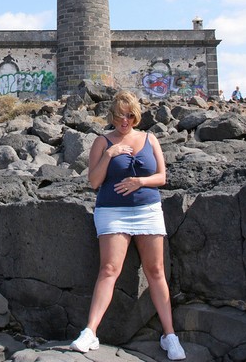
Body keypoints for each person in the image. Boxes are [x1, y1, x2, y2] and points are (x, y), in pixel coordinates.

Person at [70, 91, 186, 360]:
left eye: (130, 114)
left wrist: (139, 182)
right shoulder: (102, 141)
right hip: (112, 211)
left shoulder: (150, 139)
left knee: (156, 270)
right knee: (109, 269)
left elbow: (162, 176)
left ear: (136, 115)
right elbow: (94, 182)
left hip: (147, 210)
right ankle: (90, 332)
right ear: (113, 115)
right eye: (121, 114)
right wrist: (109, 154)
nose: (125, 119)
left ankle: (170, 335)